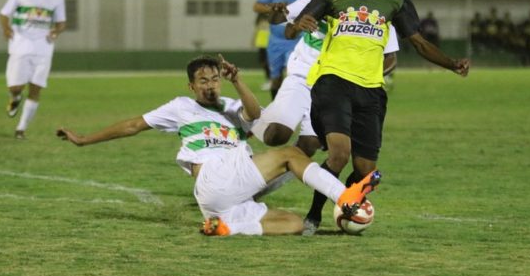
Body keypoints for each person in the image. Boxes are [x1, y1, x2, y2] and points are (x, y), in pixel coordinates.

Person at [56, 55, 381, 236]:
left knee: (294, 224)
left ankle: (226, 227)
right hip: (213, 175)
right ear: (191, 85)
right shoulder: (181, 106)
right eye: (203, 81)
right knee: (290, 154)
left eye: (214, 79)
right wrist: (85, 140)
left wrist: (238, 81)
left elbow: (256, 116)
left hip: (223, 199)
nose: (210, 86)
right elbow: (133, 125)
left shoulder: (230, 105)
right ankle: (345, 195)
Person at [290, 0, 469, 233]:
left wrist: (452, 64)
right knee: (339, 153)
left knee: (364, 170)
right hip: (333, 81)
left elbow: (419, 42)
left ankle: (346, 206)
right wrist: (298, 25)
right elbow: (293, 28)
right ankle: (313, 216)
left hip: (371, 89)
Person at [250, 0, 399, 236]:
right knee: (276, 136)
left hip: (335, 90)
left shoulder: (377, 6)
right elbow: (281, 22)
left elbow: (391, 55)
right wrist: (278, 13)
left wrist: (365, 77)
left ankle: (257, 191)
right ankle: (249, 119)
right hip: (303, 77)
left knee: (309, 149)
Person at [0, 0, 66, 139]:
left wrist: (56, 31)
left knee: (36, 88)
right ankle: (14, 98)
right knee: (15, 87)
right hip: (20, 45)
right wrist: (6, 28)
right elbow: (4, 14)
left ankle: (21, 129)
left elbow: (61, 22)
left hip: (44, 47)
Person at [253, 0, 312, 99]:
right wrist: (272, 7)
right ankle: (275, 107)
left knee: (295, 75)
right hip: (276, 41)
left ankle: (296, 107)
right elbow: (257, 6)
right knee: (276, 77)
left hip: (297, 40)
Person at [252, 13, 271, 91]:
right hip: (261, 45)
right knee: (263, 63)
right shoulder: (259, 22)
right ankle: (269, 80)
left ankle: (271, 81)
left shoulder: (269, 22)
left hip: (268, 45)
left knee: (268, 64)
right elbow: (257, 31)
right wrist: (253, 40)